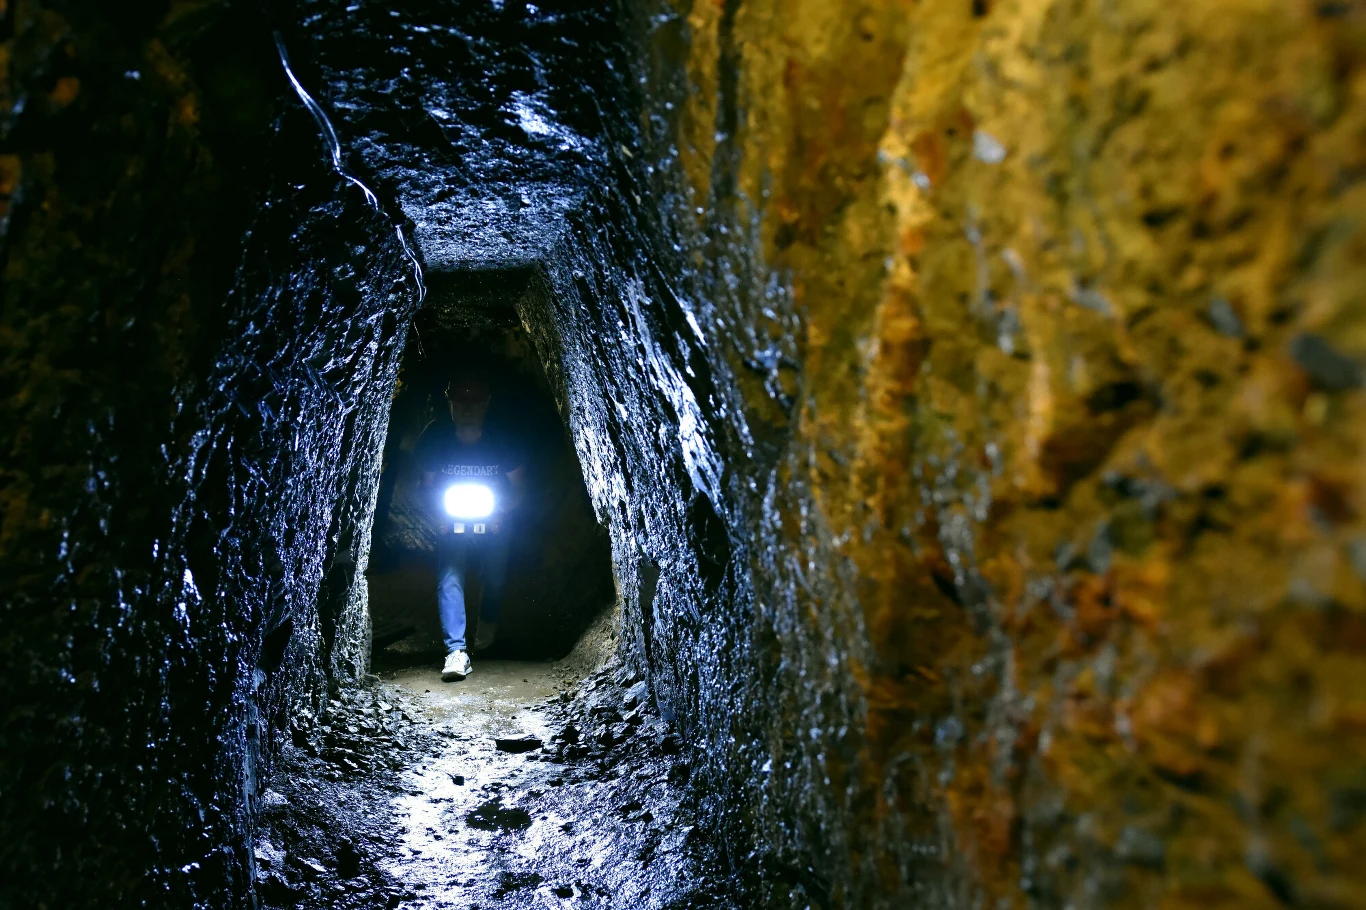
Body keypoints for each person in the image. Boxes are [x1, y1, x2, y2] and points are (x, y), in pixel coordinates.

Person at [412, 374, 525, 681]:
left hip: (494, 517)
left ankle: (486, 630)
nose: (466, 408)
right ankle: (456, 651)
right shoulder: (434, 437)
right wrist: (438, 516)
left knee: (496, 575)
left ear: (485, 404)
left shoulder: (502, 438)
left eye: (473, 402)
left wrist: (503, 511)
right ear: (450, 403)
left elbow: (519, 487)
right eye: (460, 402)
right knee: (450, 573)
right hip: (452, 518)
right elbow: (425, 486)